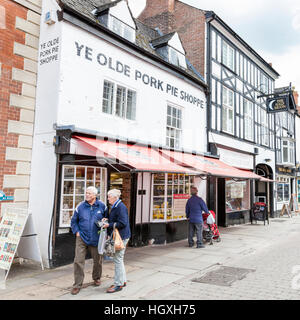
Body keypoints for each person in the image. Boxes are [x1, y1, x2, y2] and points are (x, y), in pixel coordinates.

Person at [70, 186, 107, 295]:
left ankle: (96, 277)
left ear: (95, 195)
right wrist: (76, 231)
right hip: (82, 237)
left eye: (89, 193)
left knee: (98, 260)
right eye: (86, 193)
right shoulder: (80, 206)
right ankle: (77, 284)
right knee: (78, 261)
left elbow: (107, 219)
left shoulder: (102, 206)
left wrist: (105, 223)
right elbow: (74, 221)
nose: (87, 195)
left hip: (96, 237)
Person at [102, 189, 131, 293]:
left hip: (121, 237)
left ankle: (118, 284)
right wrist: (107, 220)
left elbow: (122, 223)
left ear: (114, 197)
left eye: (109, 196)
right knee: (119, 259)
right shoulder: (116, 206)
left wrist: (109, 225)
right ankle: (122, 281)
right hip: (120, 236)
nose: (108, 198)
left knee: (117, 260)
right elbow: (115, 220)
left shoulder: (120, 207)